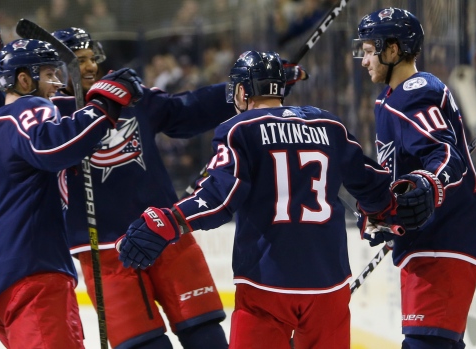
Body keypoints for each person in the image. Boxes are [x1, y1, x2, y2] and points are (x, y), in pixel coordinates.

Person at [0, 21, 309, 349]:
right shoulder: (49, 110)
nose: (89, 67)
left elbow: (186, 109)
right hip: (103, 252)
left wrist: (253, 87)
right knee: (144, 344)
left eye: (89, 58)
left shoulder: (125, 93)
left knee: (205, 333)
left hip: (164, 234)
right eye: (75, 62)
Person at [115, 50, 432, 349]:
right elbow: (374, 187)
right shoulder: (330, 124)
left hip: (265, 285)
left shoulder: (238, 128)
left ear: (241, 92)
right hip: (329, 283)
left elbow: (218, 199)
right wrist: (395, 207)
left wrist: (167, 222)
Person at [0, 37, 142, 348]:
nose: (58, 84)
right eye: (49, 74)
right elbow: (51, 146)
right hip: (32, 268)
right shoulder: (29, 106)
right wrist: (105, 104)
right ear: (23, 79)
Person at [352, 7, 476, 349]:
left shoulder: (415, 91)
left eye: (370, 51)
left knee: (424, 344)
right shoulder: (390, 101)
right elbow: (404, 174)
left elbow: (445, 155)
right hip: (427, 243)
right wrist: (387, 214)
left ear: (393, 50)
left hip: (445, 241)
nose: (365, 60)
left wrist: (429, 184)